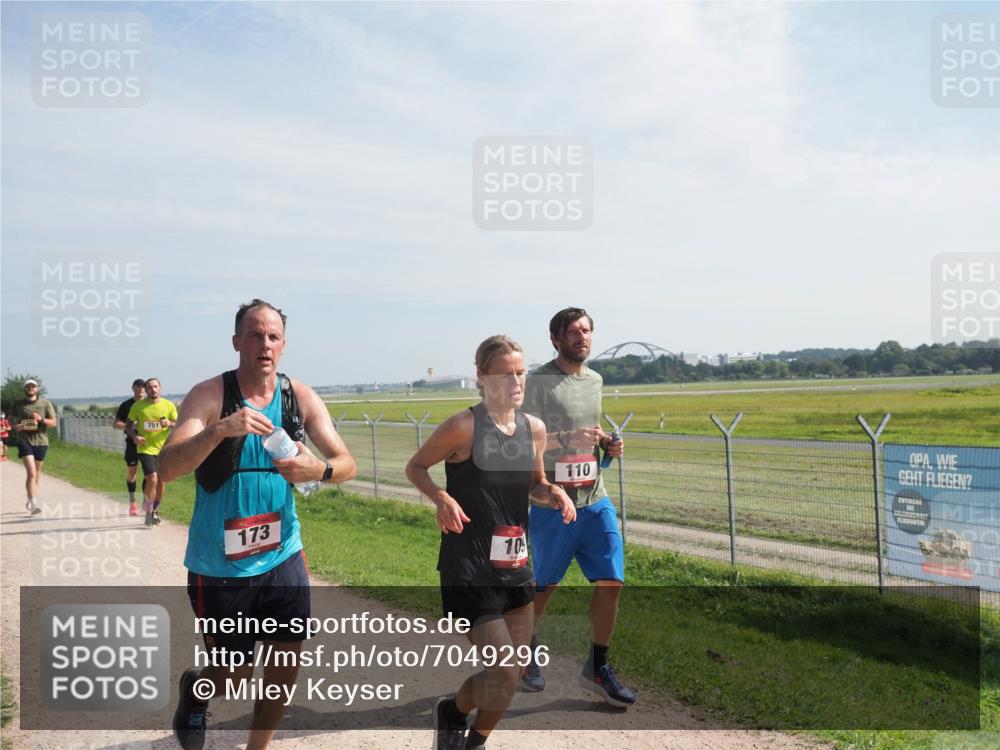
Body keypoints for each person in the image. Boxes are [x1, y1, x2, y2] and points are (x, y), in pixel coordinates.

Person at [158, 299, 356, 750]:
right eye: (254, 334)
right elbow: (167, 468)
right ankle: (197, 689)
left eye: (272, 336)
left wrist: (318, 471)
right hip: (220, 563)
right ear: (235, 342)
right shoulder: (209, 396)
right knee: (232, 674)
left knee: (284, 668)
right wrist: (218, 430)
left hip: (283, 552)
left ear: (283, 345)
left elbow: (347, 463)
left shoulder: (298, 396)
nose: (263, 343)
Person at [406, 335, 575, 750]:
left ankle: (469, 734)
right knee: (502, 670)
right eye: (505, 374)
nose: (517, 381)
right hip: (469, 565)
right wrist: (441, 497)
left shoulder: (533, 429)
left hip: (515, 565)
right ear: (481, 377)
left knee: (512, 675)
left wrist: (551, 492)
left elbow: (534, 484)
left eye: (521, 372)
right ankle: (453, 712)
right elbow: (416, 467)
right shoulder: (463, 426)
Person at [518, 307, 636, 707]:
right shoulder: (538, 383)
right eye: (573, 332)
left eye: (587, 330)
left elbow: (592, 433)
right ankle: (524, 650)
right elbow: (521, 442)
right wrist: (568, 436)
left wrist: (606, 443)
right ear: (555, 339)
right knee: (544, 588)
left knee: (612, 581)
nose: (582, 337)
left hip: (595, 498)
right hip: (552, 502)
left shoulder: (595, 380)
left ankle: (597, 667)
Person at [125, 378, 177, 526]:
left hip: (165, 449)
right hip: (145, 448)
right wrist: (135, 437)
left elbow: (178, 424)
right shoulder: (138, 406)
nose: (153, 389)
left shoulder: (168, 405)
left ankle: (154, 510)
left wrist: (169, 423)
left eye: (155, 386)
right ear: (145, 390)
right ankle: (148, 510)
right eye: (149, 387)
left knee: (161, 481)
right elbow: (128, 425)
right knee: (152, 479)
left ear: (160, 388)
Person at [11, 379, 57, 515]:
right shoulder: (18, 404)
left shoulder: (45, 403)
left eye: (33, 386)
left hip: (41, 441)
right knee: (31, 472)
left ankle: (30, 496)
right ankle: (34, 503)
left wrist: (41, 419)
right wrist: (15, 426)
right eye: (28, 386)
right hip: (24, 441)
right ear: (25, 389)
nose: (30, 388)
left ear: (37, 389)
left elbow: (54, 423)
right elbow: (10, 418)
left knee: (36, 474)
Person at [114, 379, 146, 515]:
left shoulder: (150, 404)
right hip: (132, 442)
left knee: (150, 474)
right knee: (132, 473)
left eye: (143, 387)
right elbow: (116, 424)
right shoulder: (126, 405)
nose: (140, 390)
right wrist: (133, 425)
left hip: (148, 443)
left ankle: (146, 501)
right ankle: (133, 502)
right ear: (133, 389)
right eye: (138, 387)